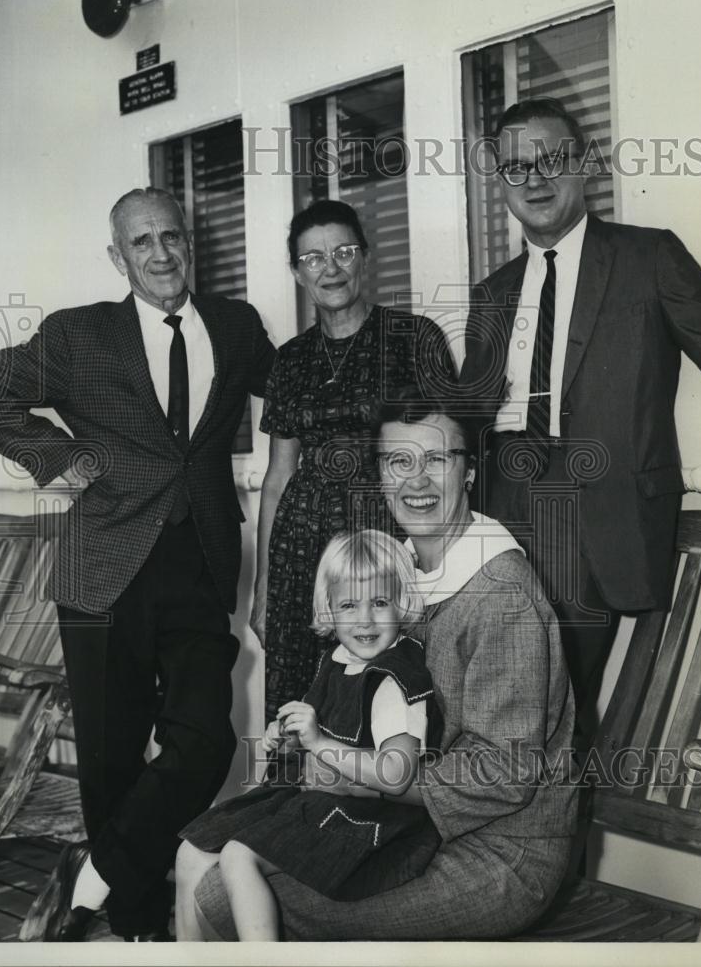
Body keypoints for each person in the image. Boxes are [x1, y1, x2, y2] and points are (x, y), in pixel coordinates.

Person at [0, 187, 276, 942]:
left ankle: (94, 876)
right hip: (103, 564)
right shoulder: (80, 334)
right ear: (119, 256)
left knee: (204, 739)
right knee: (112, 758)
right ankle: (138, 922)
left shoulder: (237, 326)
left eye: (171, 237)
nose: (160, 253)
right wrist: (63, 459)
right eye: (141, 242)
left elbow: (293, 396)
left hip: (202, 558)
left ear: (191, 244)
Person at [189, 390, 577, 940]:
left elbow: (501, 775)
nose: (417, 482)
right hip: (406, 823)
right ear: (381, 474)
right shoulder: (400, 572)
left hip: (498, 855)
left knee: (224, 893)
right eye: (400, 461)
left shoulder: (501, 595)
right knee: (210, 856)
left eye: (438, 460)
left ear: (468, 472)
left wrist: (359, 776)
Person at [458, 96, 701, 748]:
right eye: (516, 166)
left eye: (551, 158)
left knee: (549, 719)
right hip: (506, 521)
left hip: (597, 518)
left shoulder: (648, 259)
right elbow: (461, 419)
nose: (534, 178)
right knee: (500, 715)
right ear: (499, 182)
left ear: (583, 164)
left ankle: (541, 847)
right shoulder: (492, 293)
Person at [175, 529, 443, 940]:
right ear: (329, 610)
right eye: (349, 605)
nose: (364, 619)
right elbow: (322, 738)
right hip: (323, 798)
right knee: (190, 851)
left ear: (402, 603)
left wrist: (318, 743)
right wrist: (290, 741)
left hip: (378, 823)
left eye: (380, 603)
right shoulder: (337, 659)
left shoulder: (393, 679)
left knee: (238, 857)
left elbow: (396, 774)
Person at [253, 199, 456, 723]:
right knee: (299, 697)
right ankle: (297, 803)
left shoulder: (413, 339)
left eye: (343, 251)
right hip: (300, 550)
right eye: (313, 258)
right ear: (298, 272)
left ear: (365, 258)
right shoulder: (289, 360)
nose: (331, 267)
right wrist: (263, 591)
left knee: (386, 695)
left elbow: (445, 461)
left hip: (384, 539)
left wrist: (441, 565)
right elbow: (278, 478)